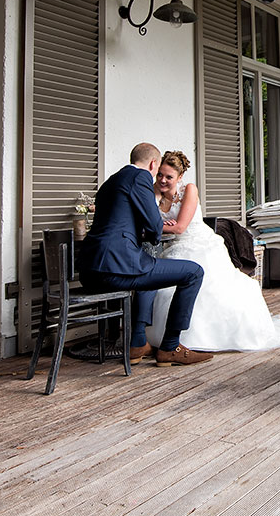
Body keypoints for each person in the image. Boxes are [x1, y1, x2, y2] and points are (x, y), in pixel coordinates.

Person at [146, 150, 280, 352]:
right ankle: (168, 337)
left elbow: (180, 227)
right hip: (172, 247)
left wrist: (159, 226)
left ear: (180, 177)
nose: (163, 180)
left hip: (199, 244)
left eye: (169, 177)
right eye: (160, 175)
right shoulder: (155, 192)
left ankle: (202, 337)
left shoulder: (189, 190)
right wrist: (157, 209)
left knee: (210, 289)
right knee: (164, 289)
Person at [77, 142, 212, 366]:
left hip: (90, 272)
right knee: (194, 272)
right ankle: (170, 347)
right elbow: (153, 226)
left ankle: (138, 342)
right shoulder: (139, 178)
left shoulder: (110, 182)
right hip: (115, 267)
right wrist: (152, 230)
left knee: (148, 276)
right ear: (153, 164)